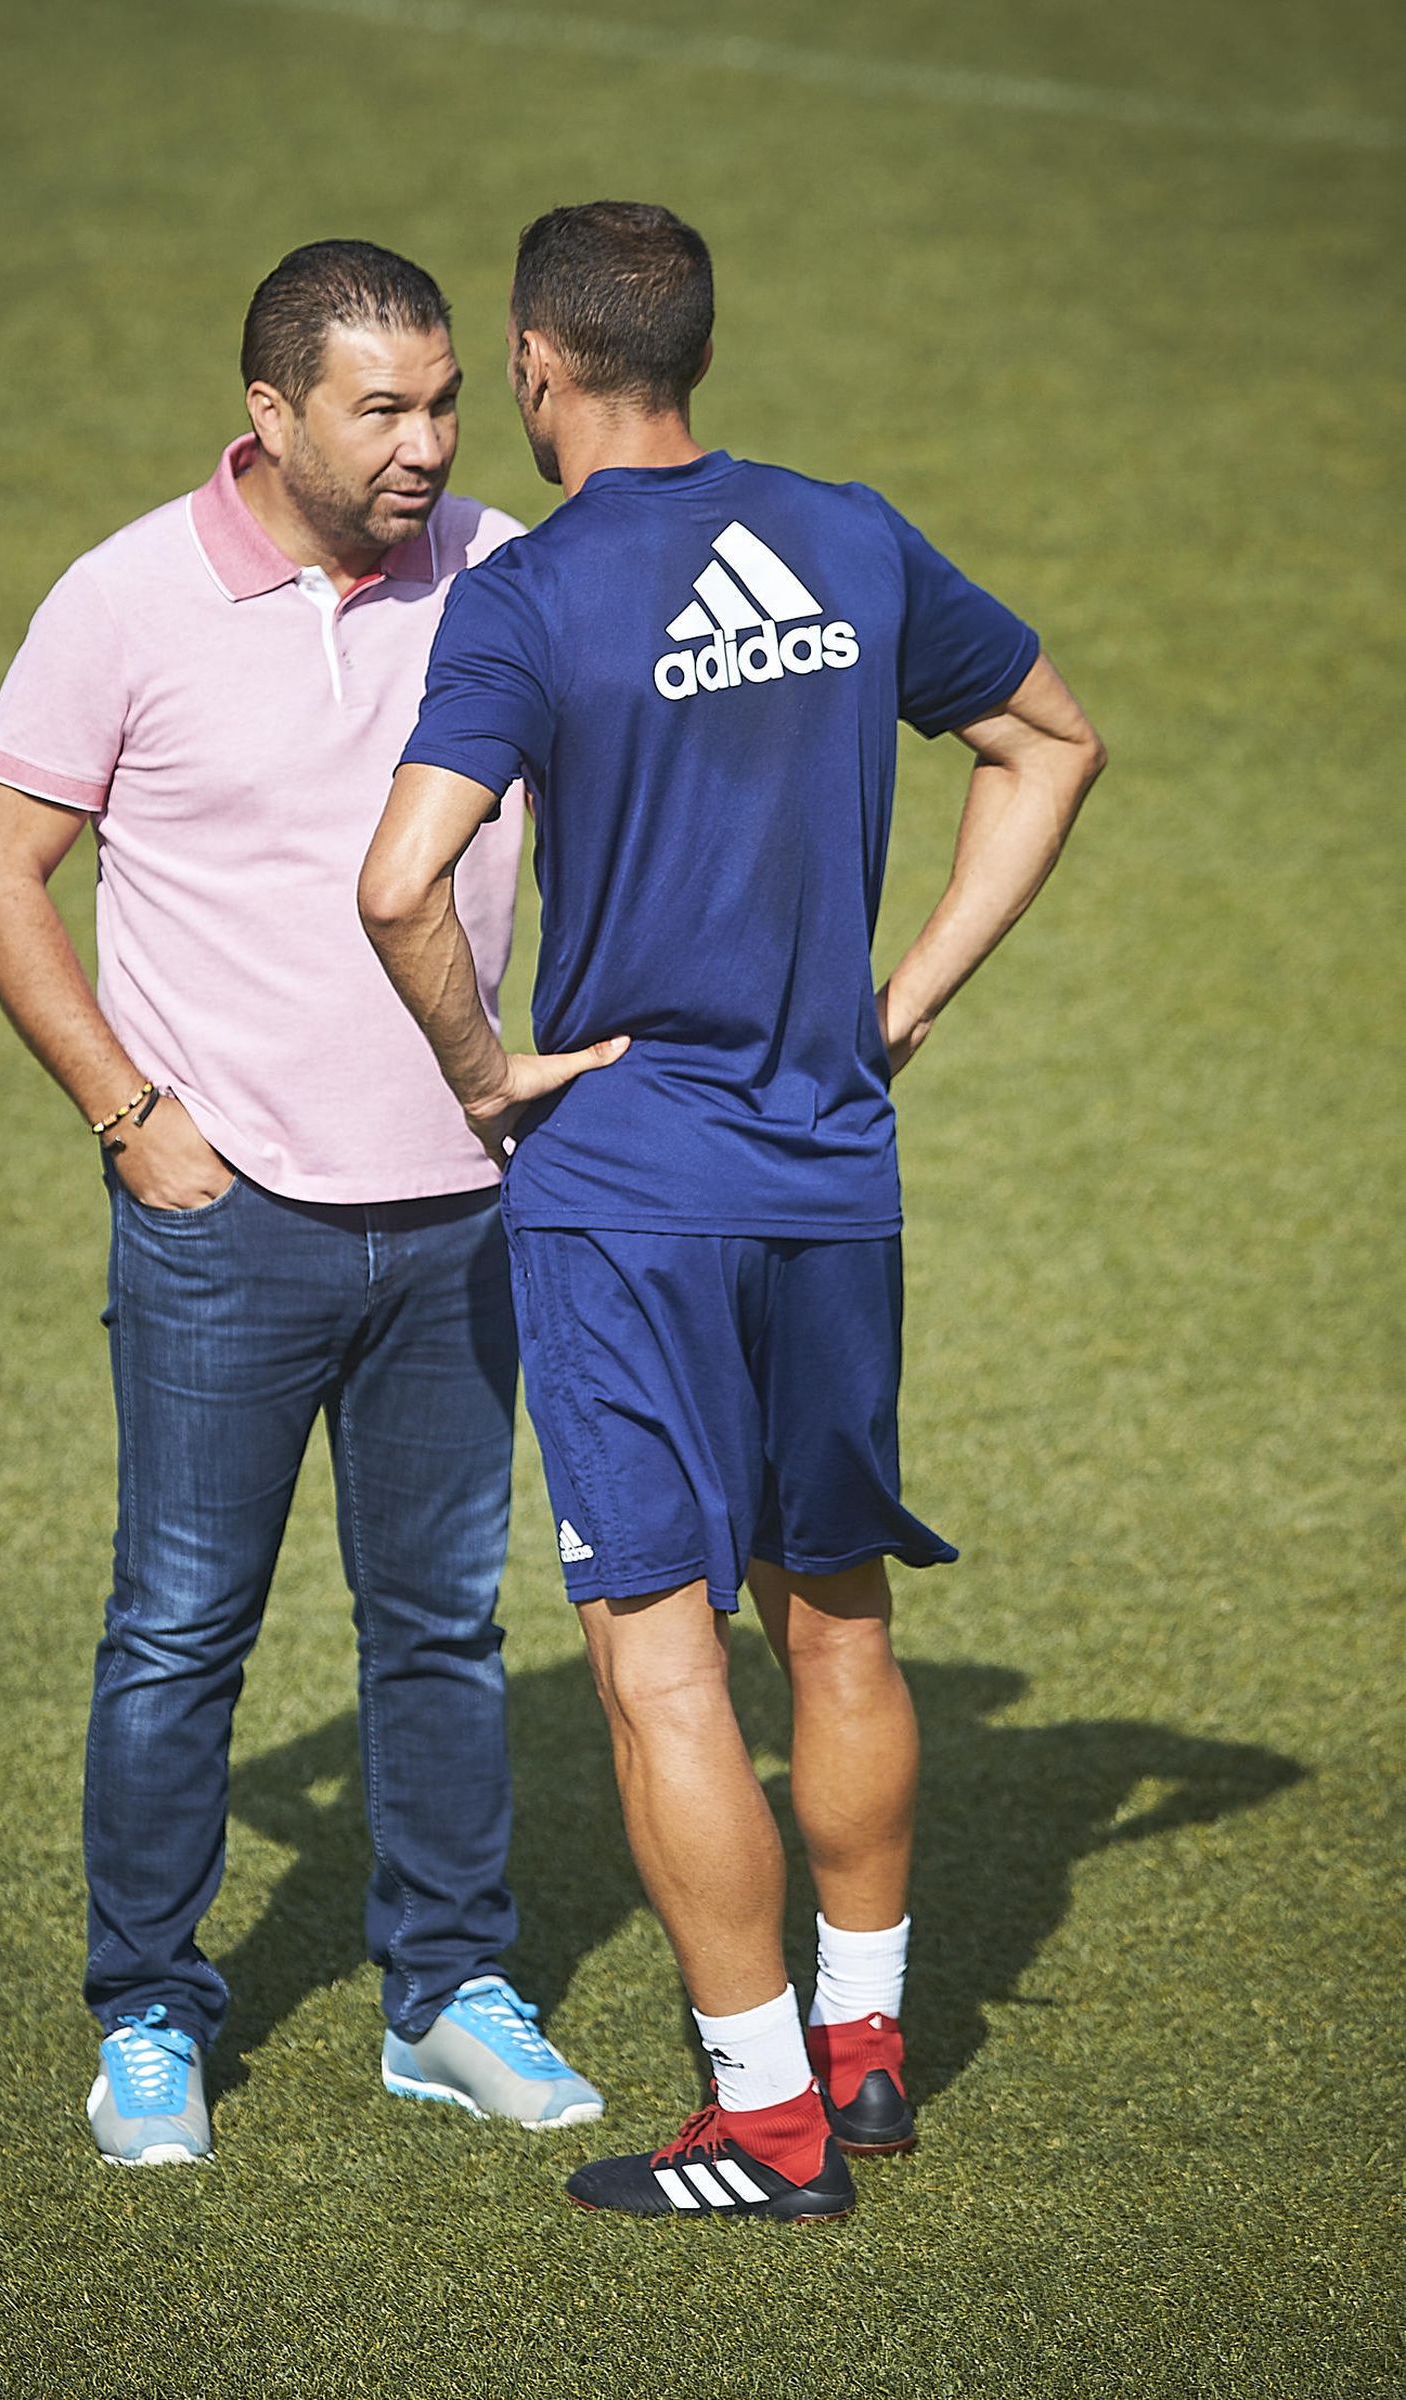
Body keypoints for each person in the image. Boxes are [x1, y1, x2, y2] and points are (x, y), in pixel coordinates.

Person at [359, 201, 1106, 2221]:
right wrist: (903, 999)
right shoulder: (851, 535)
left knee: (660, 1656)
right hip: (830, 1174)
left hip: (626, 1196)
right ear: (686, 346)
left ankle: (762, 2126)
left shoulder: (530, 595)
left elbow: (396, 882)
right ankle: (863, 2057)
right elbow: (1049, 742)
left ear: (532, 363)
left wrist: (484, 1072)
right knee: (836, 1616)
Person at [0, 239, 602, 2166]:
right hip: (223, 1218)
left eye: (446, 401)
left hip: (462, 1210)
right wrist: (128, 1112)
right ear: (271, 415)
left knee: (442, 1629)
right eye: (379, 409)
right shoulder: (126, 598)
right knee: (176, 1630)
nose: (428, 445)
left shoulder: (497, 566)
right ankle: (147, 2013)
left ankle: (447, 1995)